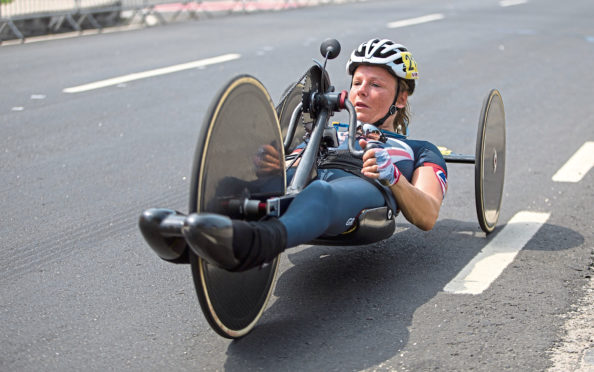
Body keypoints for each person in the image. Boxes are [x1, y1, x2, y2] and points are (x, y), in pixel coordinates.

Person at [182, 38, 448, 272]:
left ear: (400, 99)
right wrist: (272, 166)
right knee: (231, 187)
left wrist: (393, 176)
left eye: (375, 84)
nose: (361, 91)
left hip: (360, 187)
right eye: (357, 82)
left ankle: (263, 241)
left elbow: (427, 214)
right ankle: (185, 237)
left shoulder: (418, 149)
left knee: (320, 192)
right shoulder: (324, 128)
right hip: (308, 176)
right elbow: (290, 165)